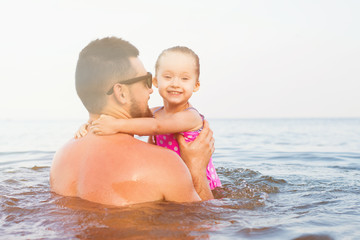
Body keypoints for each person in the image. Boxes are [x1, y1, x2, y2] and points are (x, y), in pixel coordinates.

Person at [50, 37, 214, 206]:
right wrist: (197, 169)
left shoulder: (60, 157)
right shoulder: (164, 166)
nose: (151, 90)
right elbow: (205, 225)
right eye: (146, 81)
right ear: (121, 93)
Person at [83, 46, 222, 190]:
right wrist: (91, 123)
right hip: (174, 180)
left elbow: (157, 126)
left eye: (184, 79)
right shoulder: (155, 113)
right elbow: (125, 117)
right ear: (156, 81)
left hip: (202, 184)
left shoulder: (190, 116)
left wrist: (115, 125)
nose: (175, 83)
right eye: (167, 77)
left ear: (196, 85)